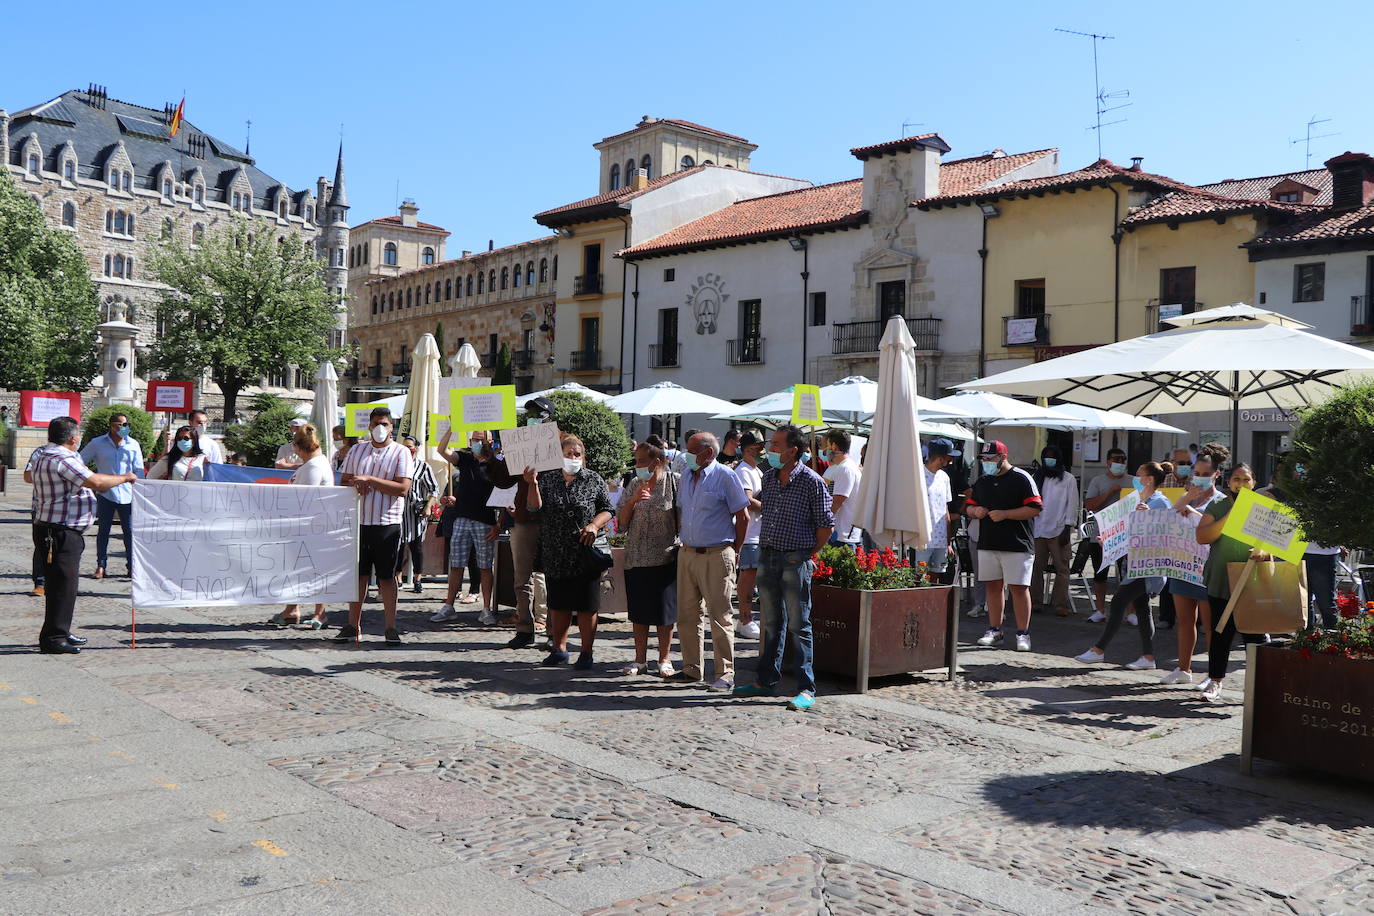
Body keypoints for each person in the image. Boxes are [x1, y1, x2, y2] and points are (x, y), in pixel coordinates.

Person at [733, 425, 834, 710]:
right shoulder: (769, 477)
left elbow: (825, 527)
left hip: (794, 558)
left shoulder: (812, 481)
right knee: (771, 623)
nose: (770, 450)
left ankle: (806, 689)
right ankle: (766, 680)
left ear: (793, 450)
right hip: (768, 556)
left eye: (776, 444)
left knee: (799, 625)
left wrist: (805, 555)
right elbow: (765, 509)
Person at [28, 417, 137, 653]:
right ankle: (54, 638)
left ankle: (60, 630)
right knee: (64, 585)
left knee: (60, 583)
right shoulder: (63, 458)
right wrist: (126, 478)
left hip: (50, 526)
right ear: (73, 438)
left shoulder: (42, 454)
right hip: (62, 529)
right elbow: (96, 482)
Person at [522, 433, 614, 668]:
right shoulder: (549, 479)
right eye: (568, 454)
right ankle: (559, 648)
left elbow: (607, 508)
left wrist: (594, 524)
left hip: (585, 550)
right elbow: (534, 507)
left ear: (583, 457)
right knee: (559, 603)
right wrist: (531, 483)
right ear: (559, 457)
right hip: (556, 549)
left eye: (577, 454)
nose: (572, 457)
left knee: (586, 605)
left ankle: (586, 652)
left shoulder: (593, 479)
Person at [1075, 461, 1172, 669]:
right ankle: (1148, 657)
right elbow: (1128, 531)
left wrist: (1146, 517)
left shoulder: (1161, 503)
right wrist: (1110, 540)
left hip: (1148, 567)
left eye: (1139, 474)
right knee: (1142, 610)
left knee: (1119, 602)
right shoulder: (1137, 500)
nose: (1135, 478)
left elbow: (1165, 532)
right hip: (1135, 564)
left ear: (1149, 479)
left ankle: (1099, 649)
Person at [674, 431, 750, 689]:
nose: (687, 454)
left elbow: (743, 517)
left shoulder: (726, 476)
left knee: (720, 617)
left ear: (708, 453)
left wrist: (734, 552)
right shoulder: (685, 476)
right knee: (687, 615)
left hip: (717, 554)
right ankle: (691, 668)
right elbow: (682, 511)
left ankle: (725, 673)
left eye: (692, 449)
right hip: (688, 553)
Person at [336, 407, 413, 645]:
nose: (380, 428)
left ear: (392, 427)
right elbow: (345, 480)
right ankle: (352, 624)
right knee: (358, 576)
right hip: (359, 521)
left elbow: (402, 489)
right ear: (369, 425)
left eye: (385, 424)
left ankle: (390, 627)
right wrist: (355, 484)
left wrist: (370, 480)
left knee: (387, 577)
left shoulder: (401, 452)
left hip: (386, 522)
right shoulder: (357, 450)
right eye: (376, 423)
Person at [484, 400, 553, 649]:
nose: (533, 418)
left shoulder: (562, 442)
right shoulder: (520, 443)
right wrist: (491, 456)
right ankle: (525, 628)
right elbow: (503, 479)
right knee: (522, 578)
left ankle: (555, 631)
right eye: (531, 413)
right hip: (524, 518)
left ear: (549, 417)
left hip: (553, 519)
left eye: (539, 413)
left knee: (554, 576)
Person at [1195, 463, 1265, 703]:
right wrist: (1231, 514)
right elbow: (1203, 536)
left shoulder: (1264, 509)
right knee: (1220, 633)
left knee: (1254, 639)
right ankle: (1215, 681)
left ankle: (1257, 688)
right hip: (1221, 579)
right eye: (1236, 478)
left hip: (1253, 581)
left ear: (1254, 482)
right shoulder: (1218, 505)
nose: (1241, 483)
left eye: (1246, 479)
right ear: (1228, 482)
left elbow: (1277, 546)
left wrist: (1264, 554)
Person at [1158, 444, 1227, 685]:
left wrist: (1195, 514)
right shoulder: (1187, 495)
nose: (1200, 477)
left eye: (1206, 474)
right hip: (1182, 565)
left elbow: (1218, 531)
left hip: (1207, 569)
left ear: (1217, 474)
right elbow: (1167, 519)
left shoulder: (1222, 501)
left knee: (1210, 624)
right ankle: (1183, 668)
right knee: (1184, 620)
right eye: (1197, 473)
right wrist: (1187, 499)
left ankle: (1213, 674)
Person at [966, 441, 1043, 652]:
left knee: (1019, 588)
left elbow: (1035, 508)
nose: (987, 463)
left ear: (1002, 457)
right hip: (988, 542)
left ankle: (1023, 633)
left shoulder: (1022, 478)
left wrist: (1006, 514)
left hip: (1017, 543)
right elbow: (970, 508)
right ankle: (994, 629)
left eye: (990, 458)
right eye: (984, 459)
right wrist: (976, 511)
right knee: (993, 586)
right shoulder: (983, 481)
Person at [618, 440, 680, 676]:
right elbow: (622, 523)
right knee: (639, 611)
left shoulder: (674, 483)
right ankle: (640, 659)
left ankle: (664, 659)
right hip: (636, 556)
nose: (637, 466)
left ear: (656, 462)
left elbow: (681, 518)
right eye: (636, 461)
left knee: (665, 612)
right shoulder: (634, 483)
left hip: (665, 556)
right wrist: (633, 501)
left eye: (642, 461)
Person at [267, 423, 333, 629]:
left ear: (298, 447)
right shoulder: (313, 464)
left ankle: (319, 612)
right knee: (296, 569)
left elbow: (305, 500)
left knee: (314, 569)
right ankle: (292, 608)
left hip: (310, 527)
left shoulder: (314, 466)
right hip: (305, 526)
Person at [432, 428, 500, 624]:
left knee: (485, 566)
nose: (476, 442)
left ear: (490, 442)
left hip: (485, 521)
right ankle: (449, 606)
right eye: (474, 439)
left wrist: (498, 523)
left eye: (480, 439)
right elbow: (442, 450)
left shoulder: (495, 464)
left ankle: (486, 609)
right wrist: (452, 429)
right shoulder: (465, 459)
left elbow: (505, 493)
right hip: (461, 518)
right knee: (456, 564)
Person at [80, 411, 143, 579]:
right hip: (106, 493)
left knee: (129, 531)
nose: (123, 428)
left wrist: (139, 487)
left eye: (126, 425)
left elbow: (139, 470)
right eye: (119, 425)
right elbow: (79, 462)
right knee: (103, 531)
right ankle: (101, 565)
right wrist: (93, 480)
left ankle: (131, 566)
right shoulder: (98, 443)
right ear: (112, 426)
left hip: (128, 495)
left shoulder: (133, 444)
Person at [1082, 447, 1131, 622]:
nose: (1120, 463)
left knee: (1128, 575)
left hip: (1125, 536)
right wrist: (1109, 493)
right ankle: (1100, 611)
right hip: (1100, 535)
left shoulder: (1132, 481)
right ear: (1108, 462)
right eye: (1116, 459)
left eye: (1123, 459)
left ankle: (1130, 613)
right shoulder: (1097, 481)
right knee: (1100, 574)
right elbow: (1090, 505)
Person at [1031, 445, 1079, 617]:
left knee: (1062, 569)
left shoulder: (1068, 479)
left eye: (1053, 456)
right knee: (1036, 568)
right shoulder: (1036, 477)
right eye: (1046, 456)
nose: (1049, 459)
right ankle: (1036, 602)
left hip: (1059, 530)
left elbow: (1073, 504)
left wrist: (1068, 527)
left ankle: (1060, 603)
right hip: (1038, 529)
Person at [733, 432, 764, 640]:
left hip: (758, 534)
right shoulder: (744, 470)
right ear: (747, 450)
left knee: (753, 578)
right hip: (751, 534)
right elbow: (747, 499)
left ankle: (745, 619)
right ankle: (745, 619)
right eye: (758, 447)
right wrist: (771, 508)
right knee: (748, 578)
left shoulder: (756, 470)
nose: (762, 451)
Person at [912, 439, 958, 576]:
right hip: (922, 539)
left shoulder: (944, 477)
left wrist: (948, 542)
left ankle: (933, 598)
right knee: (919, 575)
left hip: (941, 539)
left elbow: (945, 510)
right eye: (949, 458)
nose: (950, 461)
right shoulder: (917, 476)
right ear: (940, 458)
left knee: (936, 575)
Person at [398, 435, 438, 594]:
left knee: (417, 548)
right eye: (405, 447)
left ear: (416, 448)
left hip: (416, 513)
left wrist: (428, 506)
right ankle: (398, 578)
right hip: (398, 512)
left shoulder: (423, 467)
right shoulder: (397, 465)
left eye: (410, 446)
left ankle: (417, 579)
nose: (408, 450)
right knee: (398, 548)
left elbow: (434, 489)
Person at [822, 429, 863, 547]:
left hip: (842, 535)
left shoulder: (846, 469)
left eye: (826, 446)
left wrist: (822, 523)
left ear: (834, 446)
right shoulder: (838, 467)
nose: (824, 450)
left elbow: (837, 501)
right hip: (836, 533)